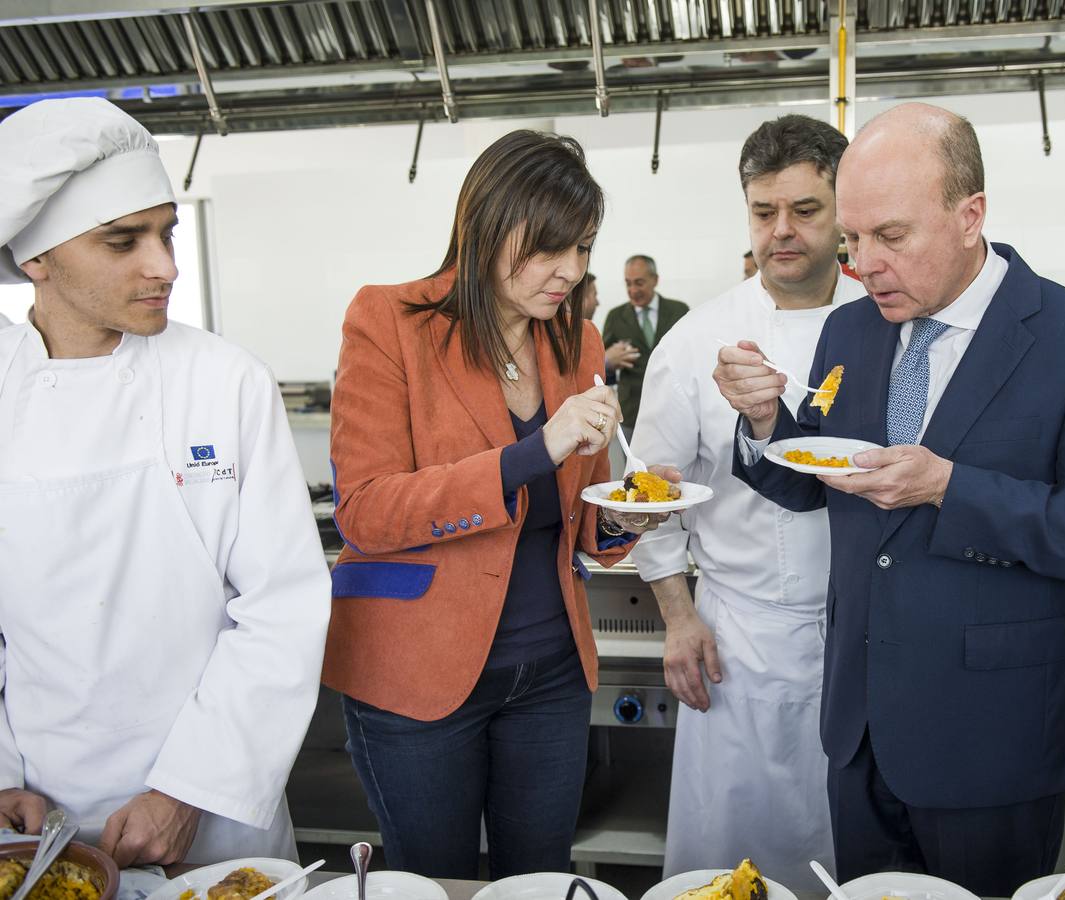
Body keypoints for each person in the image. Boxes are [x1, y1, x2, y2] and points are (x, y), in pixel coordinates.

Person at [714, 102, 1065, 895]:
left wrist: (951, 487)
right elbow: (817, 478)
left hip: (992, 736)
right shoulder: (850, 333)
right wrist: (761, 424)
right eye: (852, 240)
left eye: (890, 237)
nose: (862, 264)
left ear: (969, 216)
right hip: (859, 729)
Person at [323, 130, 662, 880]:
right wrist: (531, 451)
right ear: (486, 227)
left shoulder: (577, 342)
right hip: (418, 672)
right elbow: (368, 512)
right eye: (549, 249)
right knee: (432, 879)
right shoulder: (390, 323)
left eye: (582, 250)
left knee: (540, 879)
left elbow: (586, 528)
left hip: (549, 674)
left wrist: (631, 512)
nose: (569, 273)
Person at [0, 98, 330, 865]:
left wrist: (188, 790)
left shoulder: (225, 382)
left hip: (215, 807)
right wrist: (3, 769)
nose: (165, 266)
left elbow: (283, 607)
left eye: (168, 233)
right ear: (36, 260)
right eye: (124, 240)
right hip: (37, 815)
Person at [630, 115, 857, 891]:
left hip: (865, 638)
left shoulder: (889, 323)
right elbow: (651, 490)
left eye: (805, 210)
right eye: (764, 213)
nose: (782, 232)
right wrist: (677, 615)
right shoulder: (698, 340)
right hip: (737, 639)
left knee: (851, 851)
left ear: (843, 208)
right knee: (726, 862)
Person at [601, 254, 689, 431]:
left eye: (639, 283)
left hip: (675, 409)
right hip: (632, 413)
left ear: (655, 280)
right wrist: (608, 362)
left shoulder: (679, 310)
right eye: (628, 283)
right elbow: (600, 368)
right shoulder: (615, 316)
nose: (633, 290)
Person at [579, 272, 640, 378]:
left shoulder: (587, 333)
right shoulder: (561, 336)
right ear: (581, 299)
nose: (597, 303)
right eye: (594, 295)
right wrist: (605, 361)